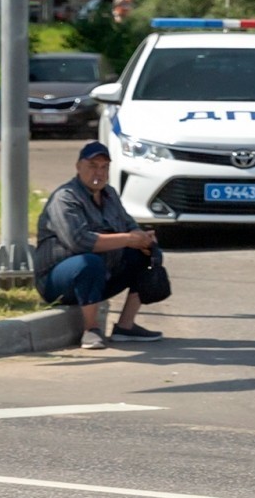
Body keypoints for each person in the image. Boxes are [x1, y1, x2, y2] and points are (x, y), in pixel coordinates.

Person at [34, 141, 165, 350]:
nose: (99, 172)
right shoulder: (65, 198)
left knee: (145, 253)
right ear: (79, 167)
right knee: (89, 262)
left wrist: (143, 238)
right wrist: (128, 239)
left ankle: (125, 326)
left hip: (101, 274)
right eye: (93, 166)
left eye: (104, 167)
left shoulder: (110, 194)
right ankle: (91, 330)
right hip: (58, 279)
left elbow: (129, 225)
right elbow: (79, 242)